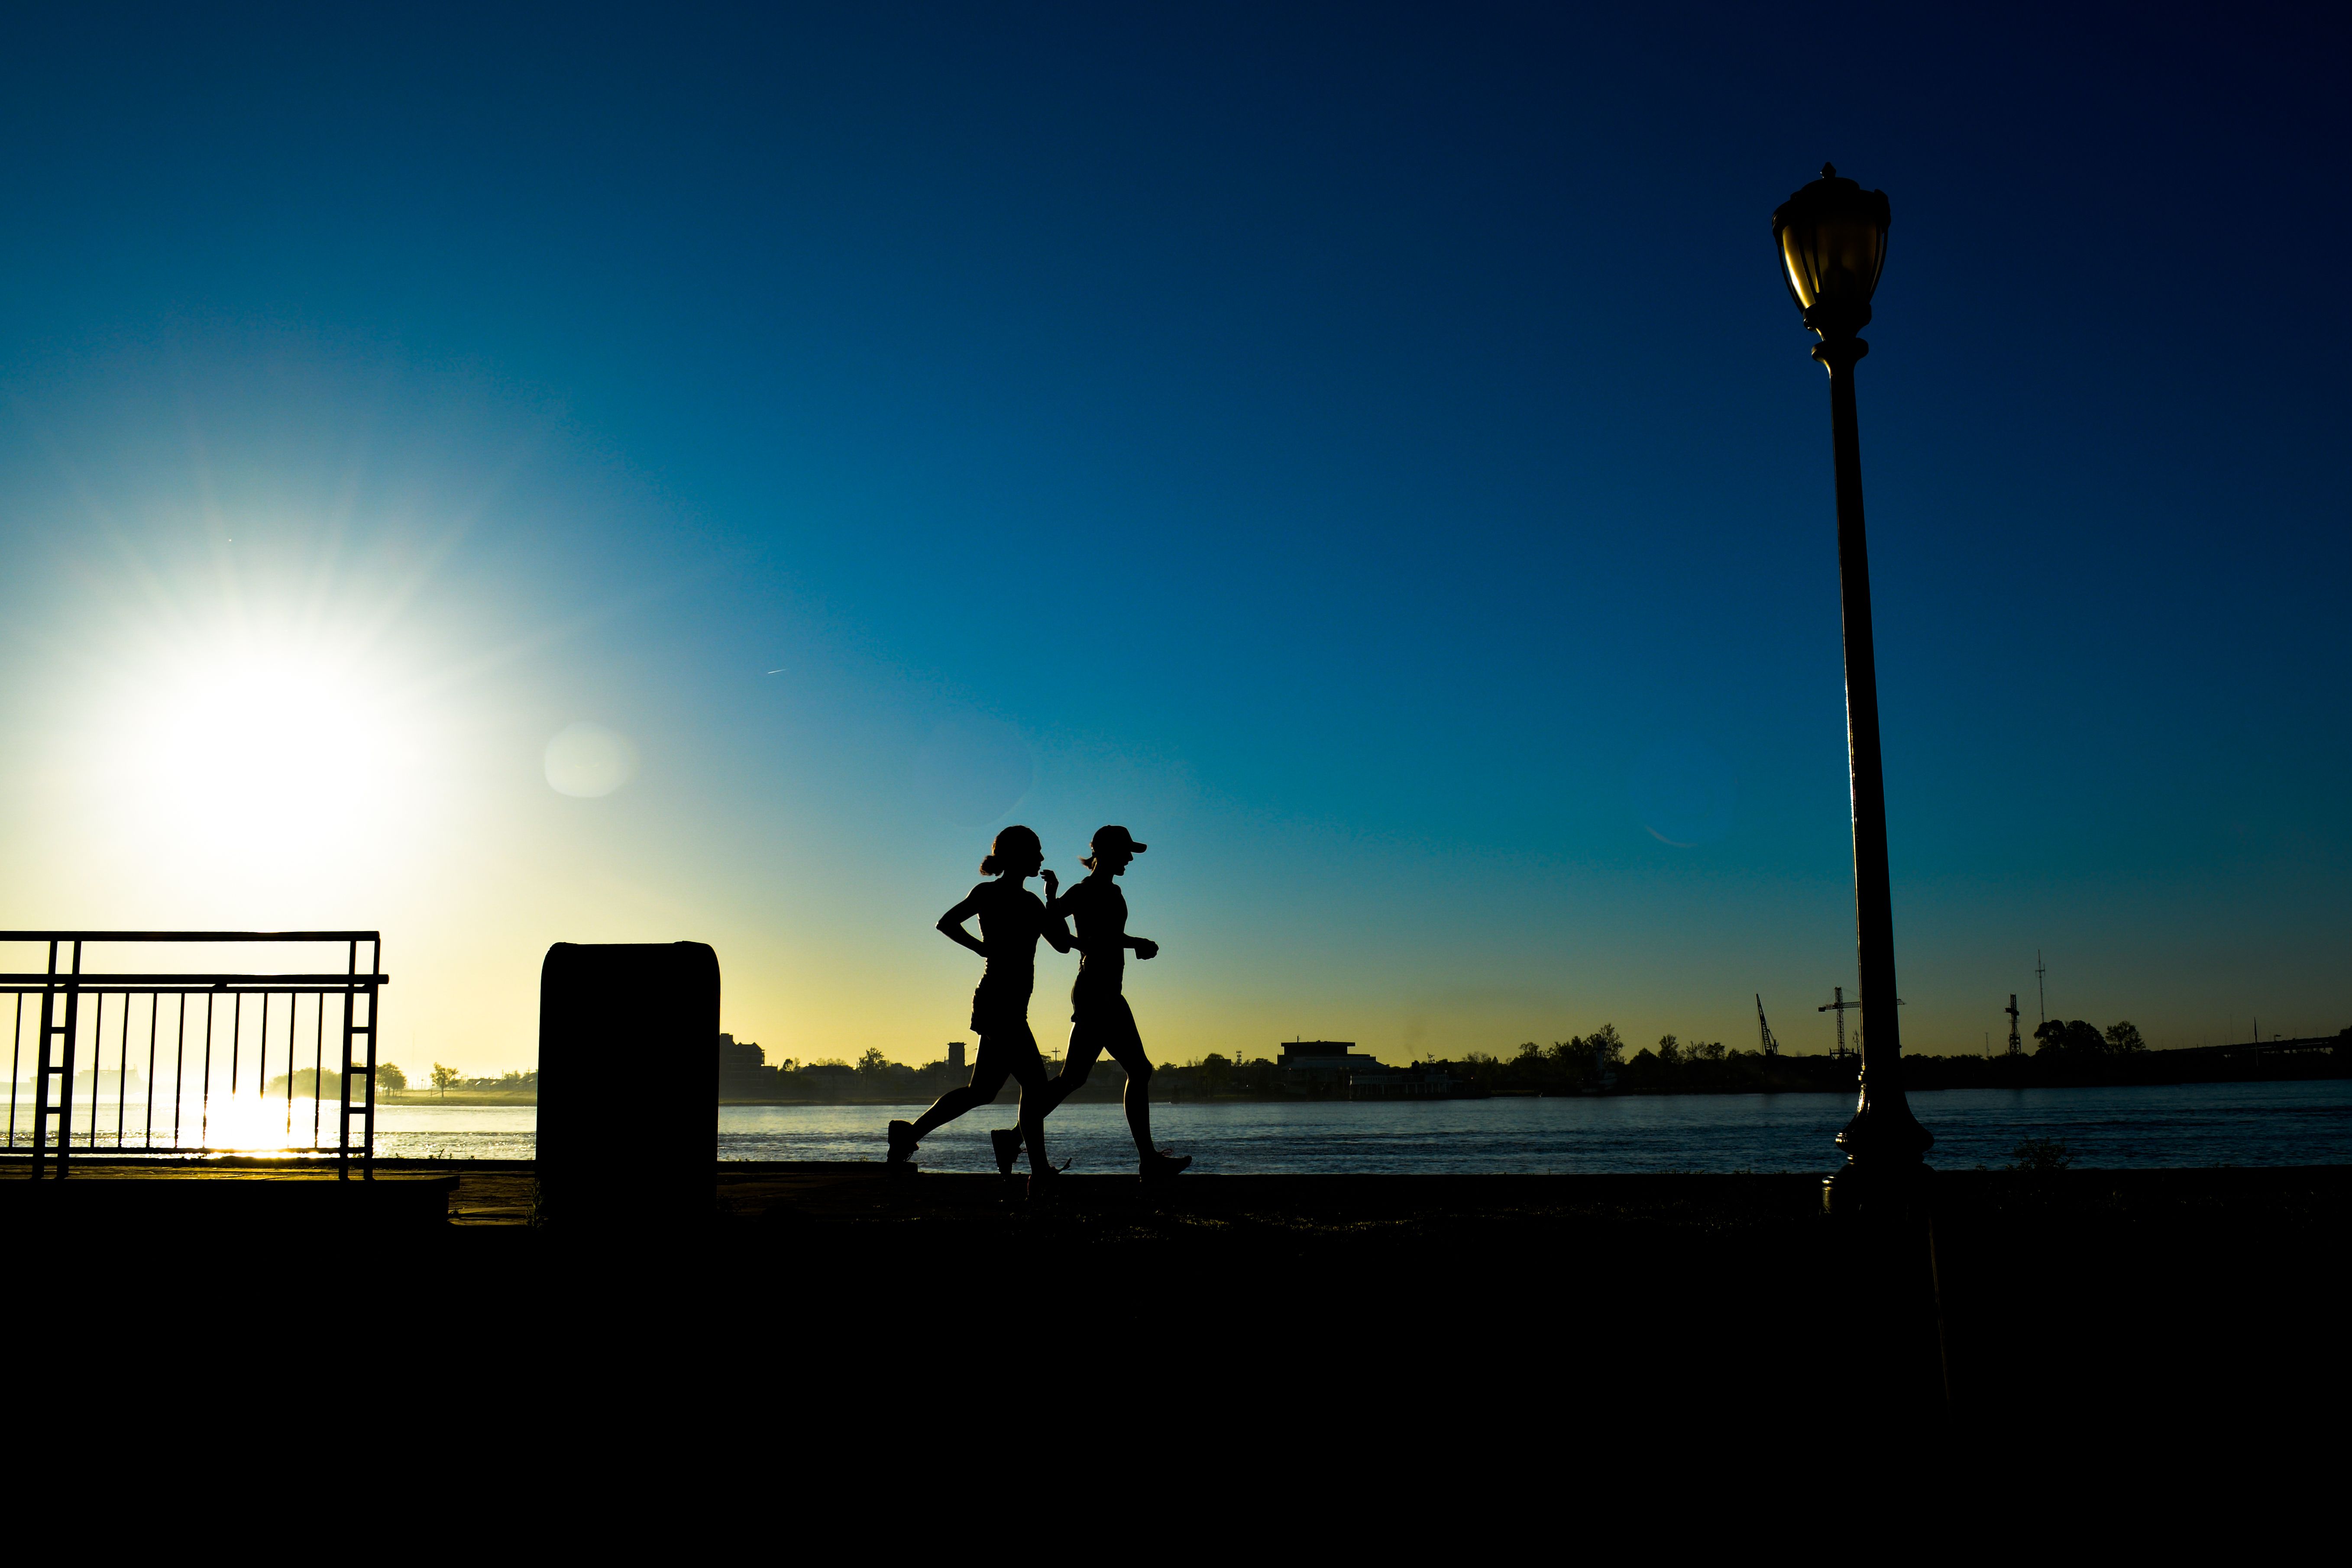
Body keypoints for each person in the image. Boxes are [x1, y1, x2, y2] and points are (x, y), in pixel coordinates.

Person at [888, 825, 1071, 1188]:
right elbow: (946, 922)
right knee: (1035, 1086)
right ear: (1017, 856)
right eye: (1036, 851)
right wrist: (979, 948)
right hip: (997, 1001)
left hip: (1012, 1005)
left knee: (982, 1091)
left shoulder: (1033, 903)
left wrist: (1052, 899)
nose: (1041, 858)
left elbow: (1063, 944)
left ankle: (909, 1133)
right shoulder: (987, 893)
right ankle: (1038, 1173)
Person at [1016, 825, 1190, 1181]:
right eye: (1125, 852)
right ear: (1106, 852)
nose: (1129, 858)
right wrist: (1052, 898)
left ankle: (1012, 1137)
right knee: (1119, 1073)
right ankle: (1149, 1162)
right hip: (1095, 989)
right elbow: (1060, 929)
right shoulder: (1085, 890)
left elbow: (1107, 935)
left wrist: (1133, 943)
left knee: (1077, 1078)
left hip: (1109, 989)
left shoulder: (1112, 890)